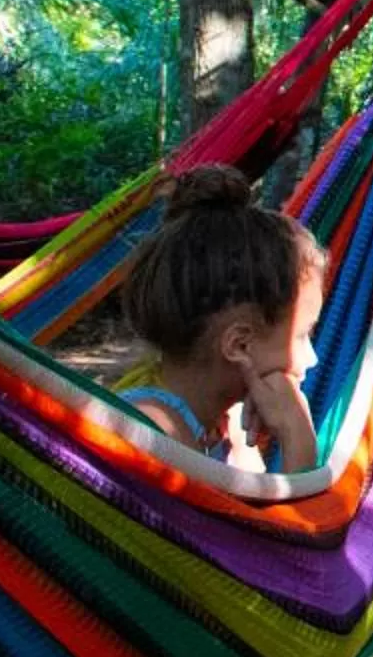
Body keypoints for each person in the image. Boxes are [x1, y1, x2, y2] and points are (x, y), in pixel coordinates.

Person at [113, 165, 324, 472]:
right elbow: (274, 523)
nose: (312, 359)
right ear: (239, 345)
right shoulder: (153, 433)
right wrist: (298, 439)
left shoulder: (226, 427)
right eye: (302, 335)